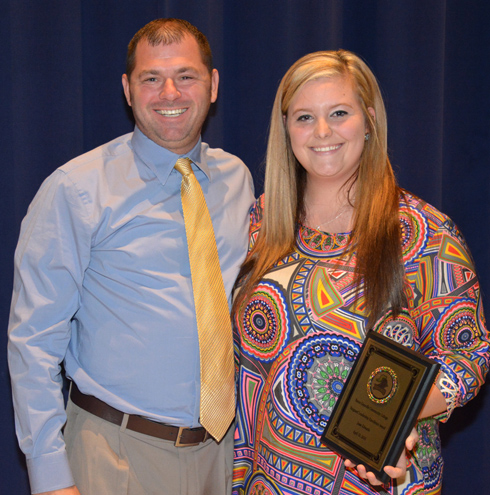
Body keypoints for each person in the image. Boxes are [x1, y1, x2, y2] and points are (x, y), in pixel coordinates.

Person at [8, 18, 254, 495]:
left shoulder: (237, 180)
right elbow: (33, 341)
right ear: (127, 88)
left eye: (186, 76)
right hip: (114, 457)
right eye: (150, 78)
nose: (169, 92)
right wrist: (49, 476)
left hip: (224, 459)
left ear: (213, 84)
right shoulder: (77, 189)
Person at [231, 50, 488, 495]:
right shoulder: (263, 221)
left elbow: (468, 357)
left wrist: (394, 423)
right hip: (267, 479)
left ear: (369, 120)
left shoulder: (422, 232)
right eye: (305, 117)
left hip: (382, 481)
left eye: (339, 113)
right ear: (286, 129)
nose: (323, 132)